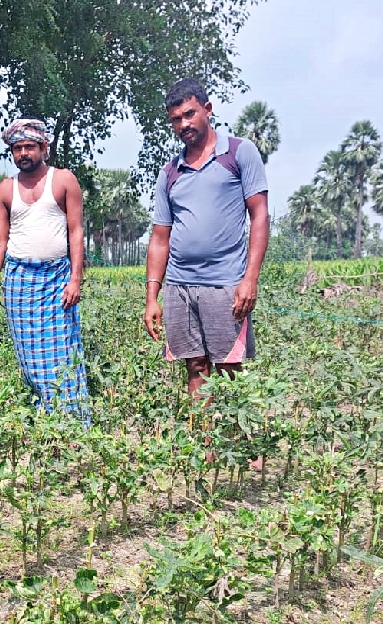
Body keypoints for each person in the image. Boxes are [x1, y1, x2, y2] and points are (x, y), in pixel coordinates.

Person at [143, 78, 269, 463]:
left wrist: (250, 279)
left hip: (225, 284)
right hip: (180, 287)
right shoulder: (170, 173)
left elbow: (259, 216)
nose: (183, 124)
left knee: (230, 366)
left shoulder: (239, 154)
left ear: (208, 109)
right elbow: (160, 238)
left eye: (190, 114)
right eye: (176, 119)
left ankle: (241, 447)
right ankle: (207, 450)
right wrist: (152, 296)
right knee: (195, 366)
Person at [0, 118, 89, 417]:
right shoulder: (5, 189)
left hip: (57, 278)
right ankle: (44, 418)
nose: (23, 153)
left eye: (29, 146)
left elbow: (76, 232)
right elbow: (0, 241)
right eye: (17, 148)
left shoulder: (63, 180)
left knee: (64, 351)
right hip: (19, 281)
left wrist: (75, 280)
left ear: (44, 146)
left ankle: (73, 422)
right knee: (29, 355)